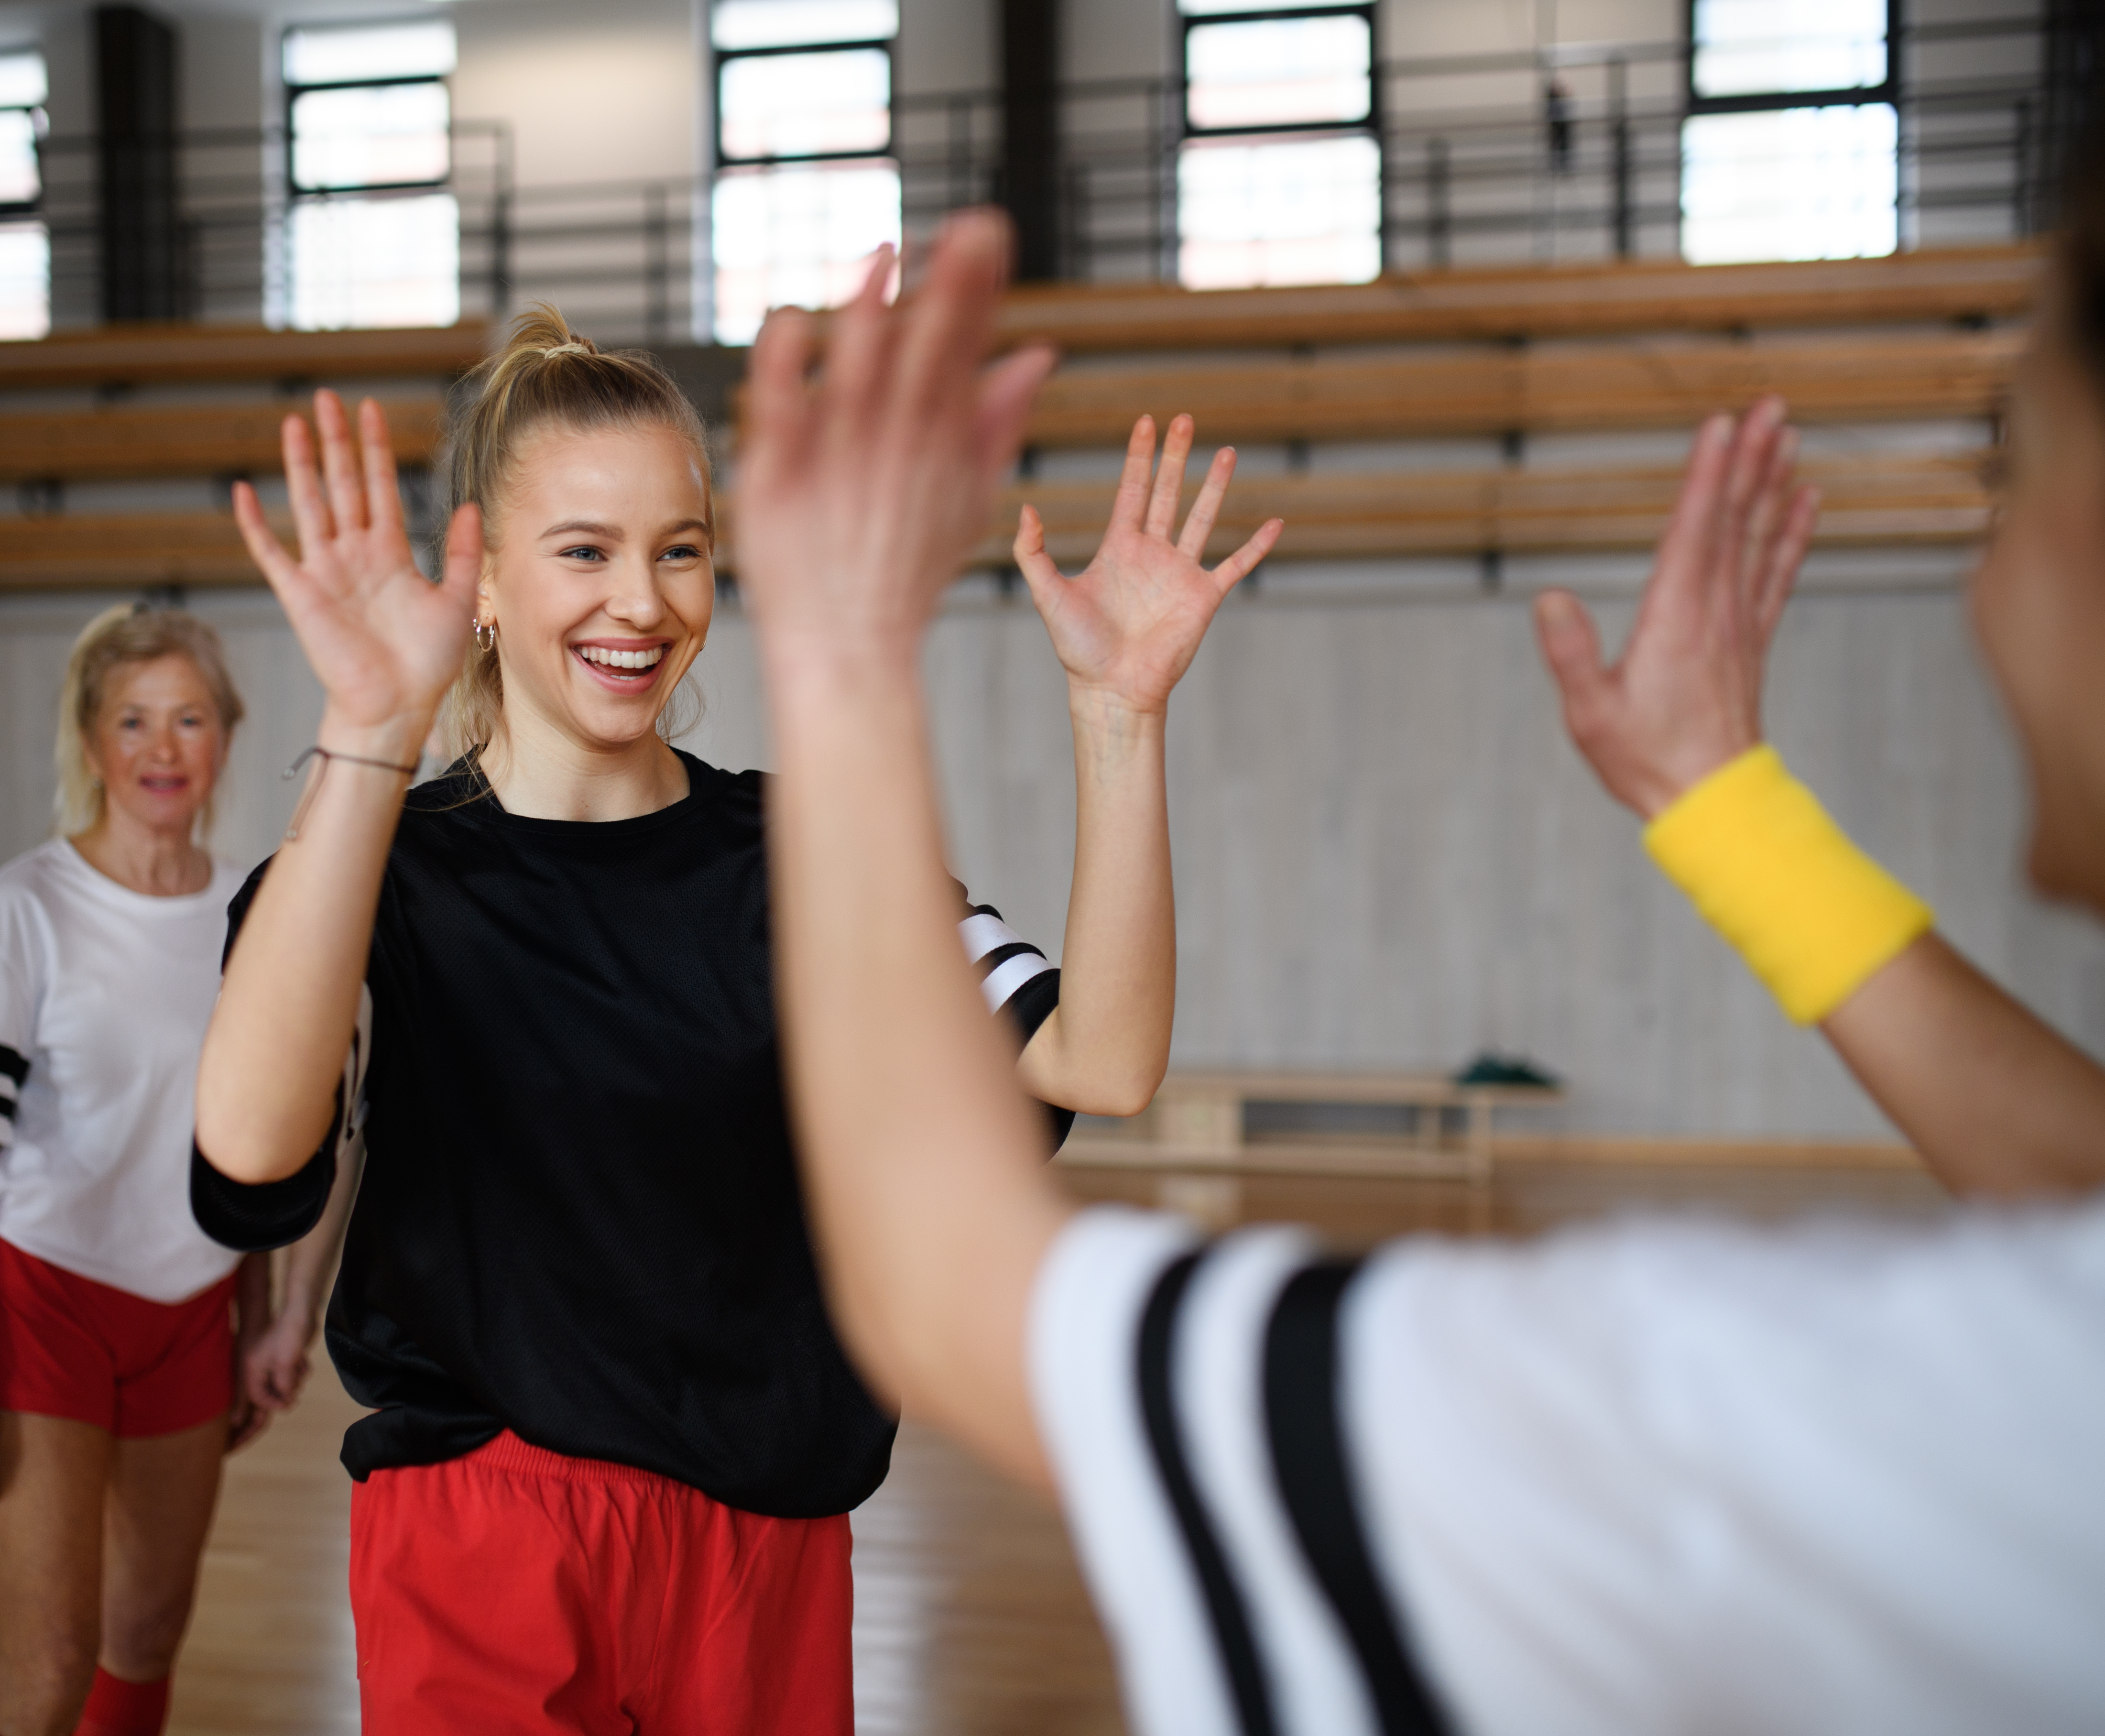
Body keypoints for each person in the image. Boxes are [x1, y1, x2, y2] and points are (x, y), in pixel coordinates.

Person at [733, 206, 2105, 1736]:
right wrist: (1730, 815)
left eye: (2012, 490)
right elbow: (2078, 1178)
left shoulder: (1884, 1424)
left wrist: (844, 644)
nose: (1986, 588)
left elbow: (959, 1291)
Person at [187, 305, 1277, 1733]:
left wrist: (1121, 717)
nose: (641, 603)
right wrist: (370, 732)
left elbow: (1104, 1062)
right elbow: (250, 1159)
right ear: (484, 579)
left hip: (765, 1545)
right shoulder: (373, 864)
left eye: (680, 549)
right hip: (482, 1529)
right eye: (585, 551)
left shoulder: (808, 851)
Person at [0, 604, 342, 1736]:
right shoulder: (25, 908)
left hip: (191, 1316)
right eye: (133, 719)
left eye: (189, 718)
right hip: (43, 1307)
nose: (162, 746)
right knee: (50, 1668)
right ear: (91, 742)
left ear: (227, 736)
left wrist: (254, 1316)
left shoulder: (255, 913)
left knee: (144, 1641)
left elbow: (248, 1144)